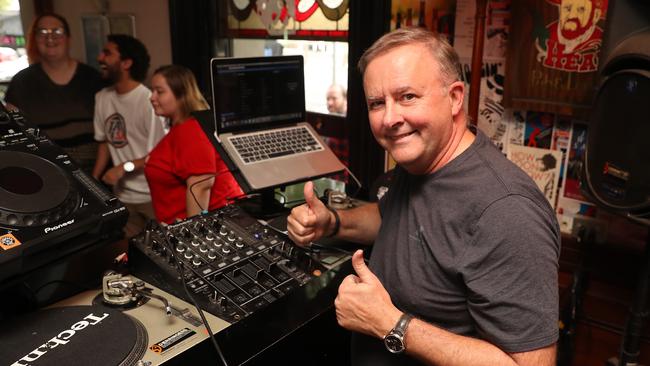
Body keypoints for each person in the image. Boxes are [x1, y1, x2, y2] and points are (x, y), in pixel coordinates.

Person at [287, 27, 560, 365]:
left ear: (455, 97)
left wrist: (390, 323)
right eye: (377, 103)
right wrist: (333, 222)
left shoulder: (507, 211)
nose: (390, 118)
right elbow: (394, 219)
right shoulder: (422, 161)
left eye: (407, 97)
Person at [5, 13, 104, 173]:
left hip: (95, 173)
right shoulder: (22, 82)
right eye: (42, 32)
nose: (50, 38)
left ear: (68, 38)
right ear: (35, 39)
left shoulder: (92, 78)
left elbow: (108, 132)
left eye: (56, 31)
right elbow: (15, 134)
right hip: (49, 173)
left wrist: (96, 177)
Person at [144, 65, 243, 224]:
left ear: (181, 95)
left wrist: (194, 233)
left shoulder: (190, 128)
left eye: (159, 91)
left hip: (206, 227)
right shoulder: (181, 128)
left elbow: (201, 185)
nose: (152, 97)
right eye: (152, 91)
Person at [92, 34, 166, 238]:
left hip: (152, 196)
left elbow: (160, 154)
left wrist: (124, 167)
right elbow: (105, 143)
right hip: (122, 196)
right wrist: (94, 181)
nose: (100, 58)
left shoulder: (149, 101)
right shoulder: (102, 98)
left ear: (126, 63)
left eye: (107, 53)